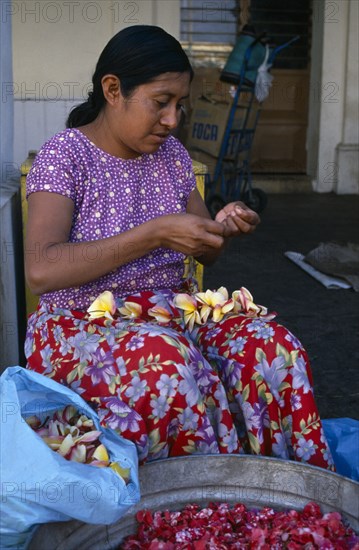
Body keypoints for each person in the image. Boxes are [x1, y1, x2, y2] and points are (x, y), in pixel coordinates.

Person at [24, 25, 334, 469]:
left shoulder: (170, 156)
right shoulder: (65, 156)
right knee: (166, 364)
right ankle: (192, 507)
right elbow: (41, 269)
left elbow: (205, 251)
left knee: (271, 346)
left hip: (174, 313)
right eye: (161, 102)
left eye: (180, 105)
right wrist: (155, 233)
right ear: (113, 89)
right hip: (81, 325)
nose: (173, 120)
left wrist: (219, 228)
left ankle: (274, 487)